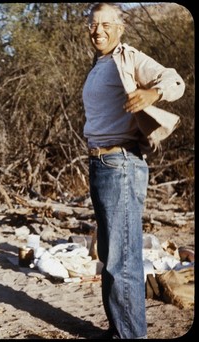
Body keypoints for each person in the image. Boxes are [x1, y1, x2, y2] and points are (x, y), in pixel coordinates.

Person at [82, 3, 185, 339]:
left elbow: (174, 80)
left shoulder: (129, 57)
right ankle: (121, 329)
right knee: (112, 256)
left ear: (120, 27)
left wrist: (152, 92)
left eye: (106, 24)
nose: (98, 31)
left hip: (121, 164)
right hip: (100, 163)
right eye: (93, 25)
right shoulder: (100, 63)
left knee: (122, 260)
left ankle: (131, 335)